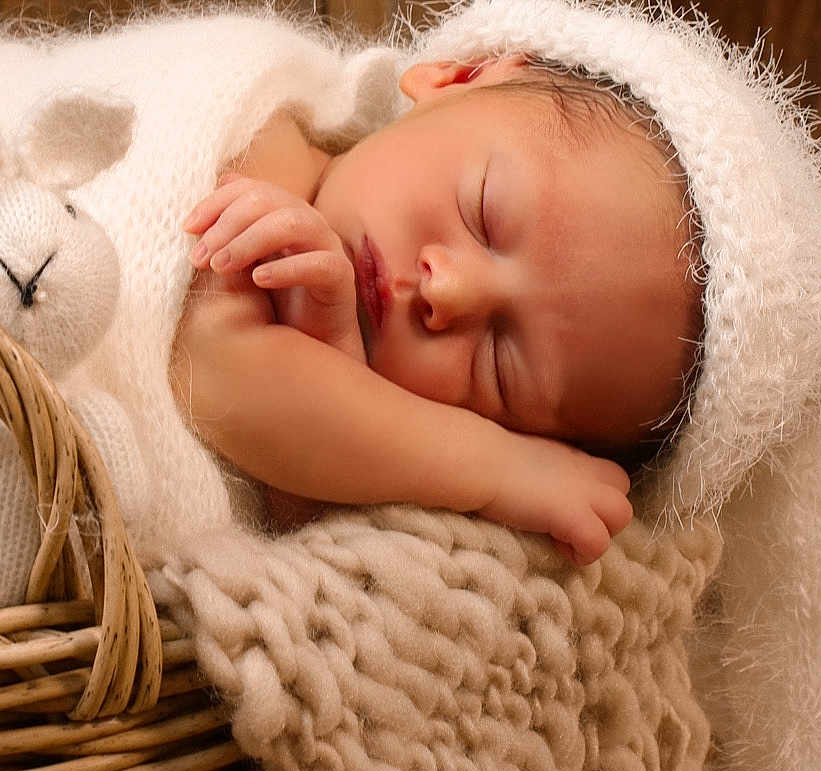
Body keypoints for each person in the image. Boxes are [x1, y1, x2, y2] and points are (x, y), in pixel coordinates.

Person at [171, 53, 703, 565]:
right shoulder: (259, 141)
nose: (446, 291)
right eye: (484, 213)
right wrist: (497, 468)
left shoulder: (366, 473)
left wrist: (332, 355)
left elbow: (297, 499)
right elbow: (215, 373)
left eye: (498, 365)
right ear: (458, 77)